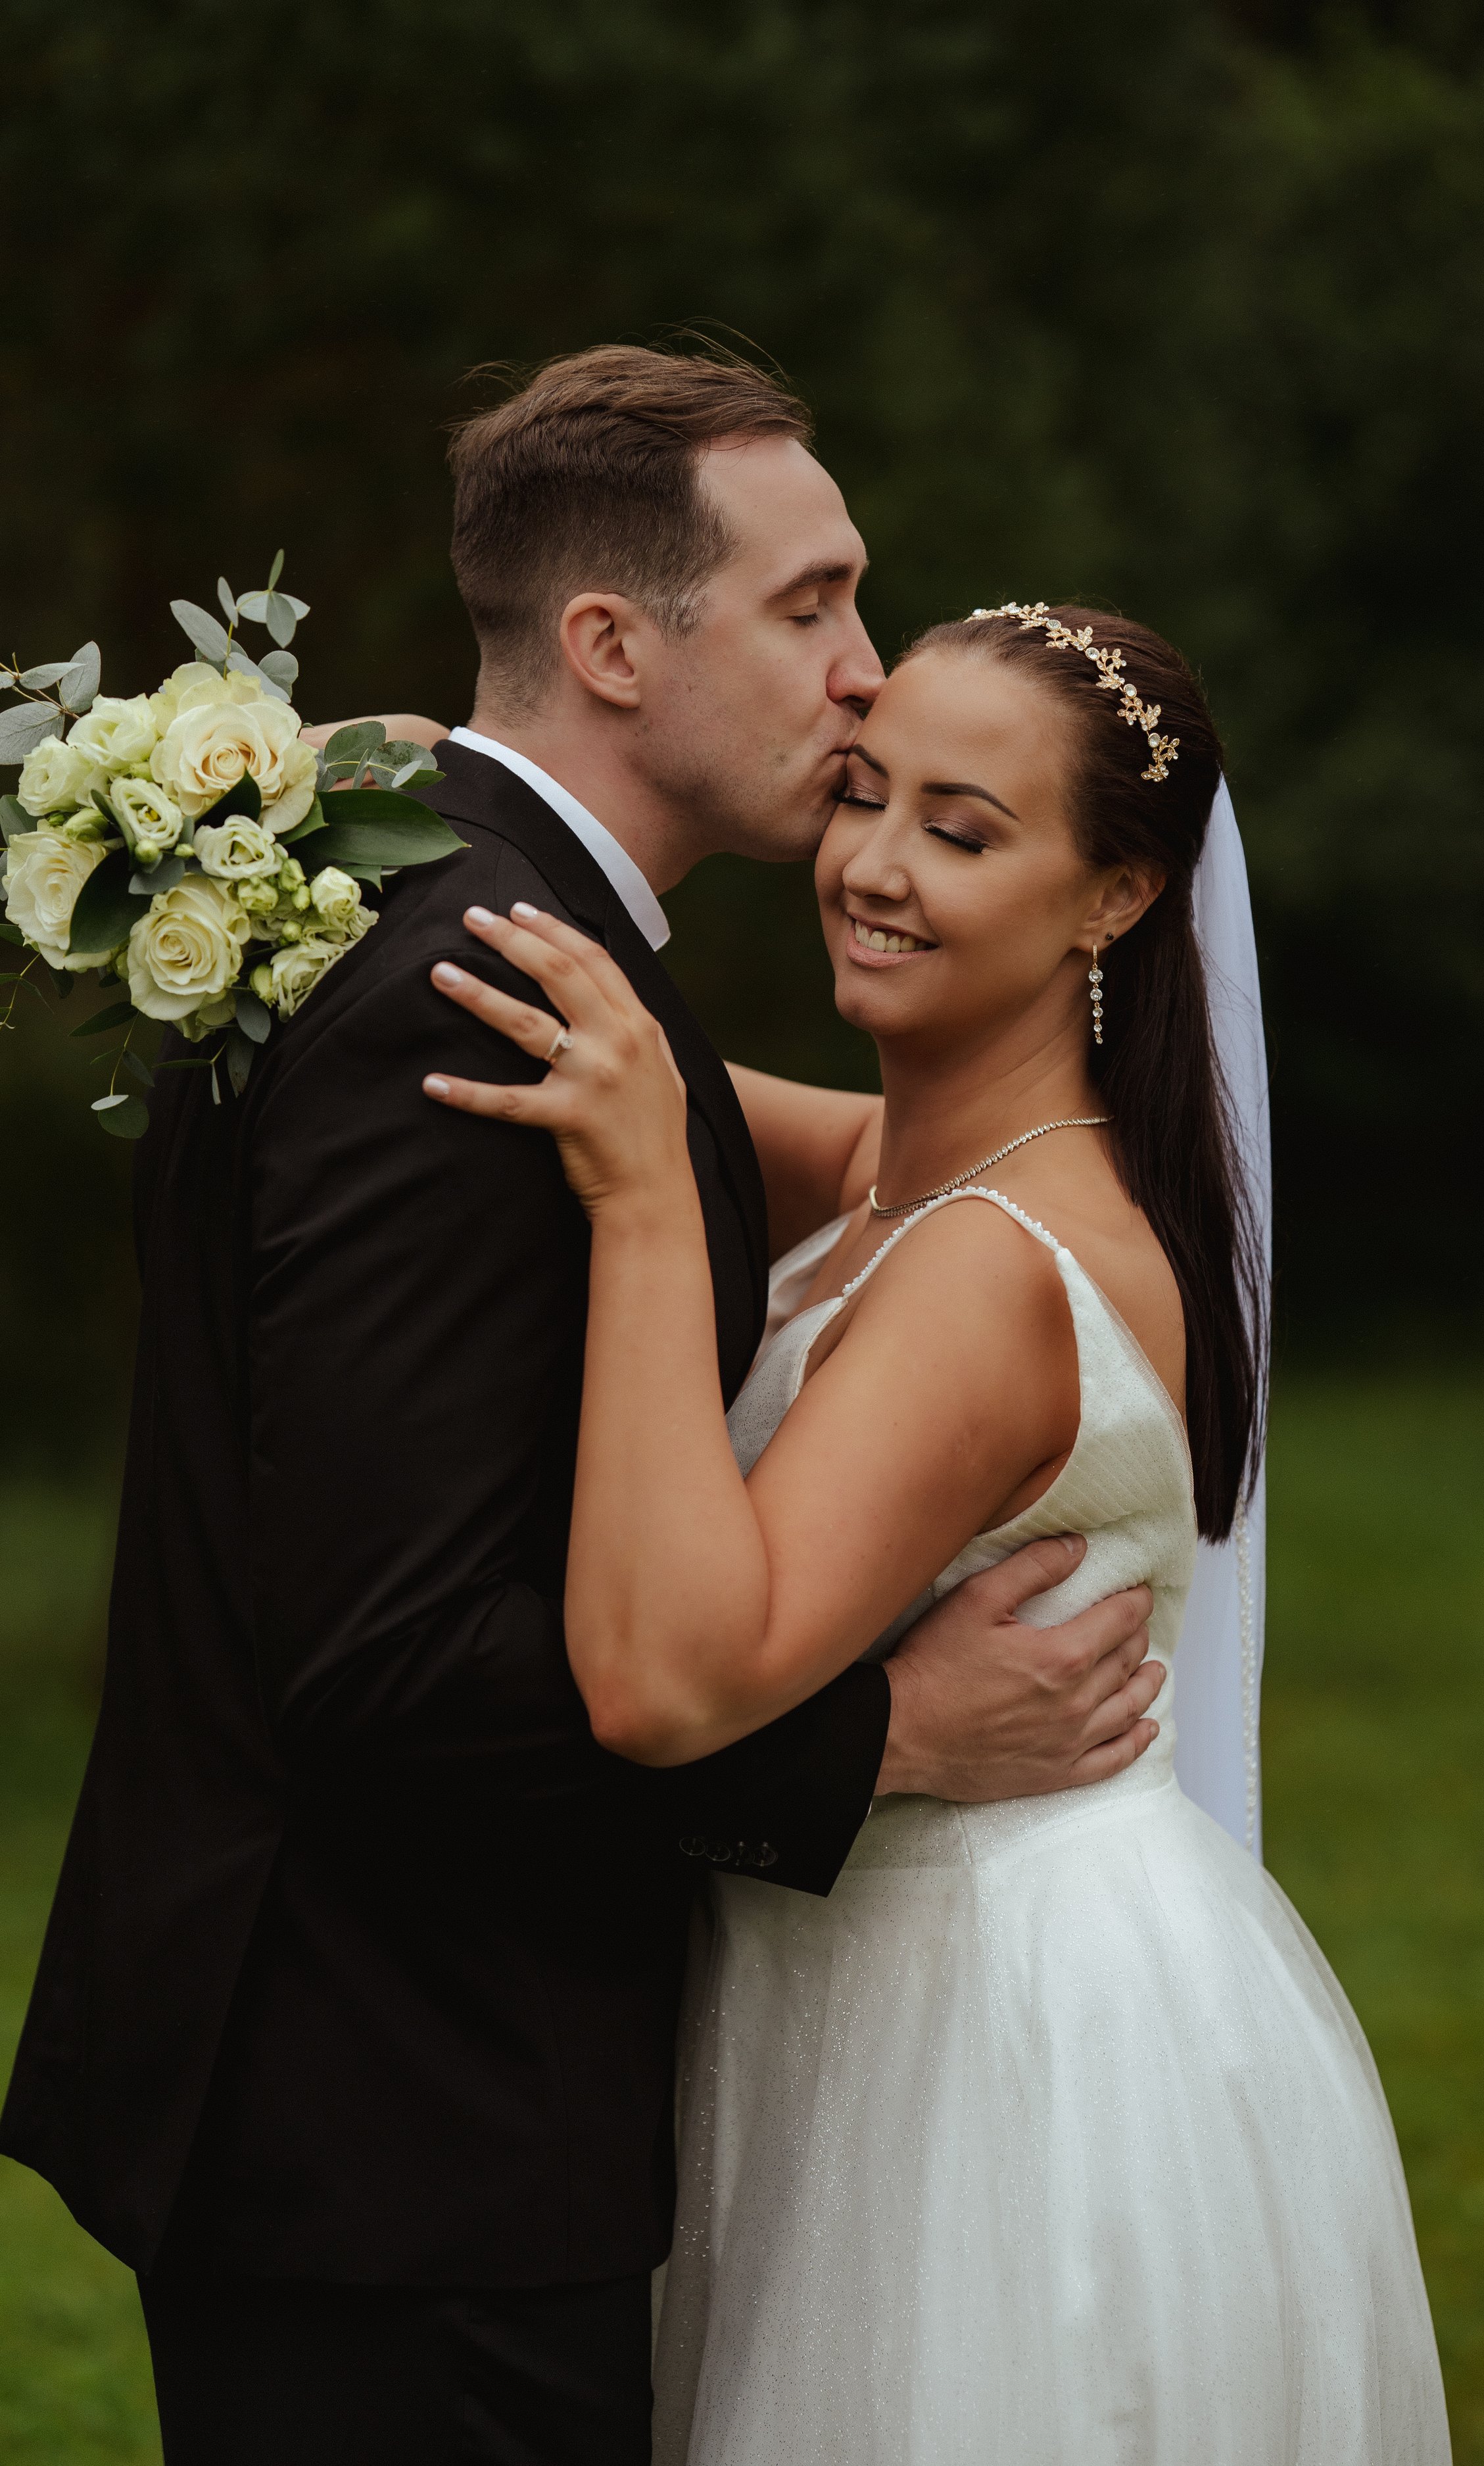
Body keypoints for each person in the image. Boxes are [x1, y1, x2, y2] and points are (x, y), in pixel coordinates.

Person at [0, 349, 1166, 2465]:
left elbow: (913, 1178)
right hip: (395, 2131)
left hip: (388, 2113)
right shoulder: (473, 1007)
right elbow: (390, 1674)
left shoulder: (454, 915)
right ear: (615, 645)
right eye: (810, 606)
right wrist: (883, 1741)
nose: (862, 675)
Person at [425, 599, 1452, 2462]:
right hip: (882, 1982)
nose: (872, 871)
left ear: (1113, 900)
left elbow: (675, 1683)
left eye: (962, 831)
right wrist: (425, 807)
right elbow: (652, 1073)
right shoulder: (922, 1173)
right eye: (861, 797)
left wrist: (647, 1209)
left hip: (994, 2047)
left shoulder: (989, 1269)